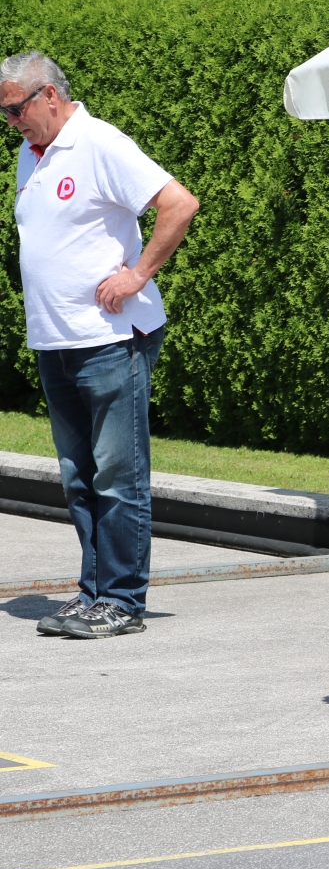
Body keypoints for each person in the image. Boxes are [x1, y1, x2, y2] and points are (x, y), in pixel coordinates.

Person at [4, 52, 199, 641]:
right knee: (79, 476)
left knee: (117, 475)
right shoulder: (31, 154)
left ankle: (121, 599)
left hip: (110, 338)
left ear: (49, 95)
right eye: (4, 113)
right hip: (56, 339)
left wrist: (137, 275)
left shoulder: (99, 142)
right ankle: (94, 592)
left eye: (15, 109)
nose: (10, 121)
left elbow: (180, 203)